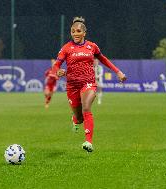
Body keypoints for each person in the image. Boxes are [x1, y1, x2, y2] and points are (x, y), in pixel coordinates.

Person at [52, 17, 126, 152]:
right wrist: (58, 71)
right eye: (73, 31)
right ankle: (75, 118)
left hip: (89, 82)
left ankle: (88, 142)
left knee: (86, 107)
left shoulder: (92, 46)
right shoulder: (66, 48)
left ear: (84, 33)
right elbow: (55, 66)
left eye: (78, 31)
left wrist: (118, 71)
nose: (75, 33)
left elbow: (103, 59)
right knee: (79, 118)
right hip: (72, 86)